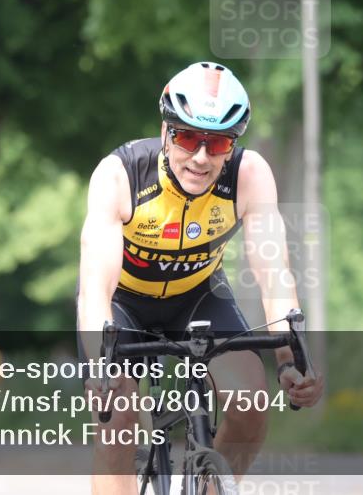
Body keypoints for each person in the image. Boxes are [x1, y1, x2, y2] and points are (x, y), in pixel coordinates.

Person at [77, 61, 324, 495]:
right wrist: (100, 364)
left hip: (198, 298)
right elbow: (96, 287)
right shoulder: (120, 175)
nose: (201, 157)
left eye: (218, 143)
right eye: (188, 137)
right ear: (166, 131)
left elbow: (274, 274)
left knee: (251, 404)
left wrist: (291, 360)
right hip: (125, 304)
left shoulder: (249, 175)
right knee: (116, 415)